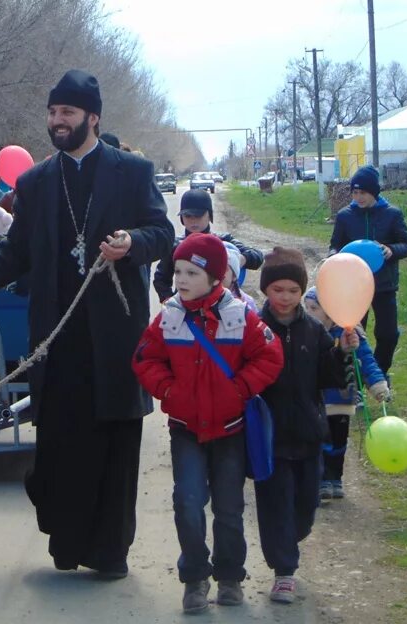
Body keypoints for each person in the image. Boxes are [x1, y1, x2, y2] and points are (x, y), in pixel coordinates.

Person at [0, 69, 175, 577]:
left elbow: (163, 232)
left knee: (114, 447)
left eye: (66, 113)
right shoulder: (36, 182)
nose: (56, 121)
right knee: (62, 448)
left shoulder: (132, 172)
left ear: (92, 117)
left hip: (113, 339)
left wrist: (133, 244)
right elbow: (16, 255)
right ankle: (67, 547)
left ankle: (110, 553)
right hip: (57, 339)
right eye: (52, 113)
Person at [132, 233, 282, 613]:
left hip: (230, 429)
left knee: (230, 507)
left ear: (217, 277)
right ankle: (194, 578)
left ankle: (230, 576)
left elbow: (269, 357)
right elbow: (145, 360)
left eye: (191, 273)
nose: (180, 280)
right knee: (187, 502)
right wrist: (169, 391)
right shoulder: (169, 315)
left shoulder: (240, 315)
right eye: (178, 271)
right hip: (186, 428)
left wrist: (240, 390)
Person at [255, 247, 355, 604]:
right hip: (270, 439)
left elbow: (326, 376)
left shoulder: (313, 330)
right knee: (275, 505)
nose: (285, 297)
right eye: (277, 289)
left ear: (302, 292)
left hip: (309, 435)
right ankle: (284, 571)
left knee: (305, 509)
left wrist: (341, 351)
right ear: (266, 290)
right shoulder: (254, 329)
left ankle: (289, 541)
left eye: (293, 291)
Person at [303, 287, 390, 500]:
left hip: (343, 398)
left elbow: (367, 361)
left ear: (330, 312)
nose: (308, 312)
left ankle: (335, 478)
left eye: (313, 308)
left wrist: (377, 384)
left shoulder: (350, 334)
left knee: (339, 441)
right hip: (318, 400)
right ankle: (321, 479)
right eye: (306, 307)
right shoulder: (307, 332)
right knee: (320, 440)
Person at [329, 165, 407, 375]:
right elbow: (334, 245)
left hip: (384, 284)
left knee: (388, 334)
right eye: (355, 192)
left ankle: (378, 372)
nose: (358, 197)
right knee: (354, 333)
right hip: (354, 287)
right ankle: (354, 378)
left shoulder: (392, 214)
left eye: (363, 192)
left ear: (374, 192)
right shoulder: (344, 216)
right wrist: (333, 257)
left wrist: (391, 250)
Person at [153, 189, 264, 302]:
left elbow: (257, 257)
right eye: (188, 216)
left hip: (221, 307)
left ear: (209, 215)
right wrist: (169, 301)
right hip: (187, 308)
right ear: (182, 218)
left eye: (198, 215)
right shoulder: (176, 246)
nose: (193, 221)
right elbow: (160, 278)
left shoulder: (224, 241)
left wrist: (240, 259)